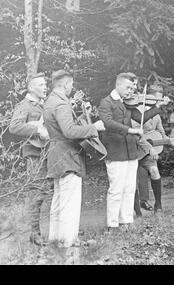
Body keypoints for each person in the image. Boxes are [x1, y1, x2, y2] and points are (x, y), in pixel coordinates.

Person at [98, 73, 169, 230]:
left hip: (131, 152)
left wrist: (158, 107)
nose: (131, 91)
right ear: (118, 85)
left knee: (129, 188)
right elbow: (108, 123)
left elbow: (142, 117)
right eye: (128, 88)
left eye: (133, 88)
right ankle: (112, 224)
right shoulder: (106, 102)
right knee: (116, 190)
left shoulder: (128, 104)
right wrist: (130, 130)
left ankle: (126, 220)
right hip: (116, 152)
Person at [43, 70, 105, 247]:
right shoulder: (61, 104)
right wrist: (94, 127)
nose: (72, 88)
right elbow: (69, 131)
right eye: (71, 85)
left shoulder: (50, 101)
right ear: (64, 85)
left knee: (58, 199)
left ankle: (55, 238)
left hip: (55, 153)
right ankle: (69, 241)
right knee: (70, 200)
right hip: (67, 155)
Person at [9, 73, 50, 245]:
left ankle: (60, 229)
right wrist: (37, 130)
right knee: (36, 193)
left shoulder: (44, 105)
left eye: (45, 84)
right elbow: (14, 126)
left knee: (51, 191)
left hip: (48, 153)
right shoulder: (24, 105)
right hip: (34, 155)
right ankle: (34, 233)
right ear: (31, 88)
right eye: (40, 84)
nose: (45, 87)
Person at [132, 84, 167, 214]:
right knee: (133, 180)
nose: (158, 103)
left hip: (148, 151)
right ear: (149, 97)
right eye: (156, 100)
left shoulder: (156, 114)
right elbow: (136, 135)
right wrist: (149, 147)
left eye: (160, 100)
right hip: (136, 149)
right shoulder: (137, 111)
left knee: (154, 171)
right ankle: (137, 210)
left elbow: (161, 131)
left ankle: (158, 204)